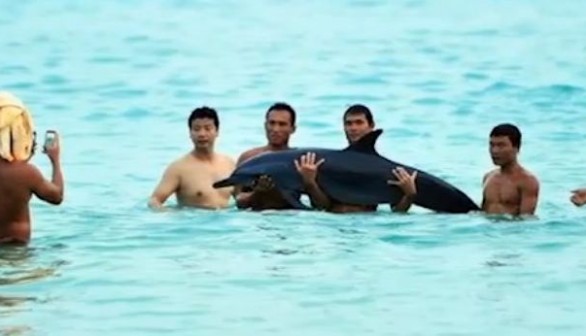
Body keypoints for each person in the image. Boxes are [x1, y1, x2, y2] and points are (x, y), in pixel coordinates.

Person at [295, 104, 417, 214]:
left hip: (368, 225)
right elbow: (322, 206)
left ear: (371, 126)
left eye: (359, 123)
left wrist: (410, 195)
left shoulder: (380, 168)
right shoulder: (331, 165)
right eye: (349, 123)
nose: (353, 128)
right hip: (336, 225)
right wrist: (310, 183)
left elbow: (396, 212)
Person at [0, 92, 64, 245]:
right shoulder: (26, 173)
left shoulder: (23, 172)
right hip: (16, 247)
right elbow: (56, 196)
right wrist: (55, 160)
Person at [148, 107, 236, 210]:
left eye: (207, 128)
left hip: (226, 224)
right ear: (190, 133)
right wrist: (168, 215)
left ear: (217, 131)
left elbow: (243, 198)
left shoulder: (229, 164)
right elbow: (154, 200)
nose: (202, 134)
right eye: (196, 129)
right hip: (194, 223)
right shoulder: (178, 168)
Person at [234, 102, 300, 210]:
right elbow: (238, 201)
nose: (275, 129)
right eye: (272, 123)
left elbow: (317, 203)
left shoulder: (300, 161)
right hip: (256, 219)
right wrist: (258, 192)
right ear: (265, 125)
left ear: (293, 129)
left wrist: (309, 181)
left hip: (289, 219)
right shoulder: (249, 158)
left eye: (282, 124)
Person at [481, 123, 540, 217]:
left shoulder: (527, 181)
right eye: (492, 145)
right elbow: (483, 213)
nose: (494, 151)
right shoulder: (488, 177)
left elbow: (526, 220)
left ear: (516, 148)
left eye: (501, 145)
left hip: (511, 231)